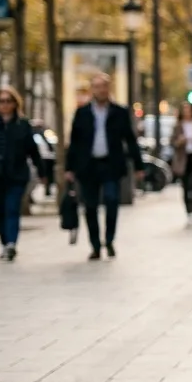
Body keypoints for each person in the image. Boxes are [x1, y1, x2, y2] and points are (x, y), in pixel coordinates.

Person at [65, 74, 145, 260]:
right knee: (90, 206)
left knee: (111, 200)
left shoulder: (119, 112)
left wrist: (138, 166)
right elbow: (74, 142)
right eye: (97, 86)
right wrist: (70, 168)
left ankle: (109, 240)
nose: (101, 90)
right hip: (88, 166)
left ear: (109, 88)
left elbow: (130, 139)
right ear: (92, 89)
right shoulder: (82, 113)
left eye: (104, 86)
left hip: (111, 164)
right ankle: (95, 245)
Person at [0, 87, 46, 261]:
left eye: (8, 101)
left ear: (15, 103)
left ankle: (11, 244)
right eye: (1, 101)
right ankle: (5, 243)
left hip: (17, 174)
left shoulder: (23, 125)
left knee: (12, 208)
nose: (5, 105)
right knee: (0, 211)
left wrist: (42, 172)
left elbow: (33, 150)